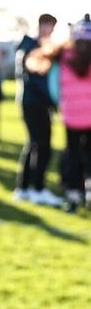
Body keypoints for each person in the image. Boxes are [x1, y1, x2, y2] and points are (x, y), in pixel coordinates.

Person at [27, 15, 91, 212]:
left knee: (73, 154)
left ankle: (73, 194)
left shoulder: (63, 55)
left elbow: (54, 85)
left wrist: (61, 104)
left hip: (71, 117)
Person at [13, 13, 63, 205]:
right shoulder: (32, 48)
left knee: (33, 144)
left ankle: (24, 187)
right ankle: (38, 188)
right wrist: (53, 99)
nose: (52, 31)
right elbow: (35, 79)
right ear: (43, 25)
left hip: (32, 102)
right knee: (42, 145)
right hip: (36, 103)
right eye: (51, 27)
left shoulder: (30, 46)